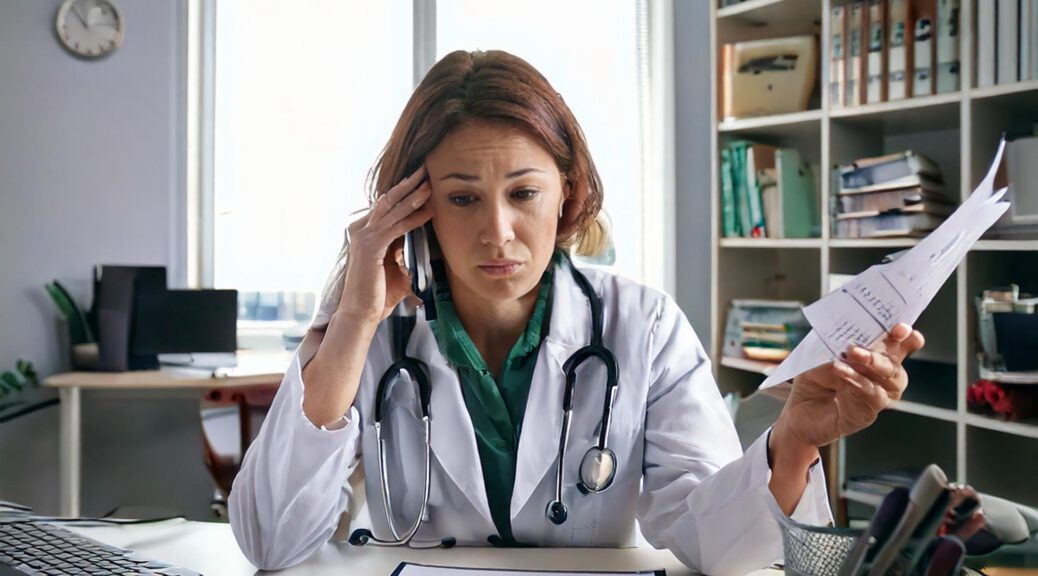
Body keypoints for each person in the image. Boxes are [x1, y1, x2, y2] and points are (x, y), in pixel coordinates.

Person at [228, 50, 925, 574]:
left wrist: (798, 439)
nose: (497, 233)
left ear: (567, 192)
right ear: (416, 207)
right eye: (463, 198)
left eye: (523, 194)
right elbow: (270, 543)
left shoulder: (641, 326)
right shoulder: (374, 330)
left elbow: (717, 547)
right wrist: (352, 323)